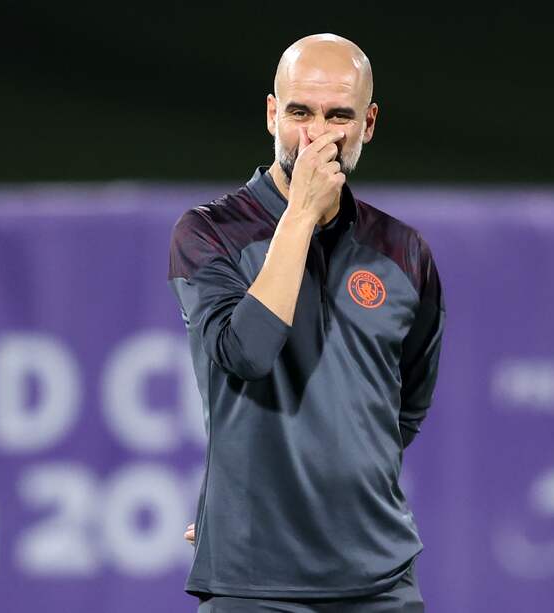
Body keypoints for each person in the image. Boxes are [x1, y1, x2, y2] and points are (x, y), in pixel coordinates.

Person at [167, 33, 445, 612]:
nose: (317, 134)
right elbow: (247, 352)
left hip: (379, 580)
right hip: (254, 582)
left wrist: (328, 499)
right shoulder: (210, 233)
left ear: (368, 123)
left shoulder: (404, 252)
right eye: (300, 112)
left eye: (338, 115)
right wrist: (299, 216)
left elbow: (405, 404)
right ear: (272, 114)